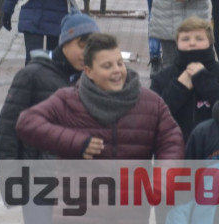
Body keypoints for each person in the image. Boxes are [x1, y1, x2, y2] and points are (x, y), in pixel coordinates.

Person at [15, 32, 184, 161]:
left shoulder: (151, 102)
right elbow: (27, 122)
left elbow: (172, 141)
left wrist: (162, 181)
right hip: (78, 196)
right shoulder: (68, 100)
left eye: (120, 63)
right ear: (89, 71)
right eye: (107, 66)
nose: (117, 70)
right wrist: (75, 142)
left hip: (132, 196)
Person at [0, 11, 100, 161]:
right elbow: (7, 131)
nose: (86, 54)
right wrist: (11, 174)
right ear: (65, 42)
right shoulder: (32, 75)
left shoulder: (90, 80)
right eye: (81, 46)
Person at [150, 16, 219, 141]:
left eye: (199, 39)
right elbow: (152, 118)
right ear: (177, 43)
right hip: (173, 146)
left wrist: (206, 83)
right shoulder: (161, 78)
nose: (192, 43)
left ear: (210, 42)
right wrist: (179, 88)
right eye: (185, 39)